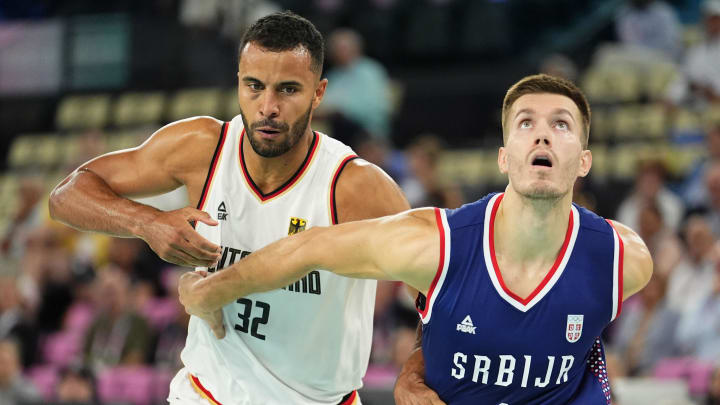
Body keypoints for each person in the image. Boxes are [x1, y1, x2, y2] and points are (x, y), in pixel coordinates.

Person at [178, 74, 653, 404]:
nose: (543, 136)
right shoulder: (437, 242)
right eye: (526, 123)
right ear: (504, 157)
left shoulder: (622, 260)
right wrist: (211, 291)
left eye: (561, 125)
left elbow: (571, 333)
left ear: (585, 161)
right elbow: (309, 248)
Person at [49, 11, 409, 405]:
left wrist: (418, 367)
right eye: (254, 86)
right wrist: (147, 222)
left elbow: (444, 280)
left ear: (319, 92)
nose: (267, 106)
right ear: (237, 81)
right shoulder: (202, 148)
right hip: (207, 393)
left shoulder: (354, 185)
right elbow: (67, 194)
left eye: (288, 90)